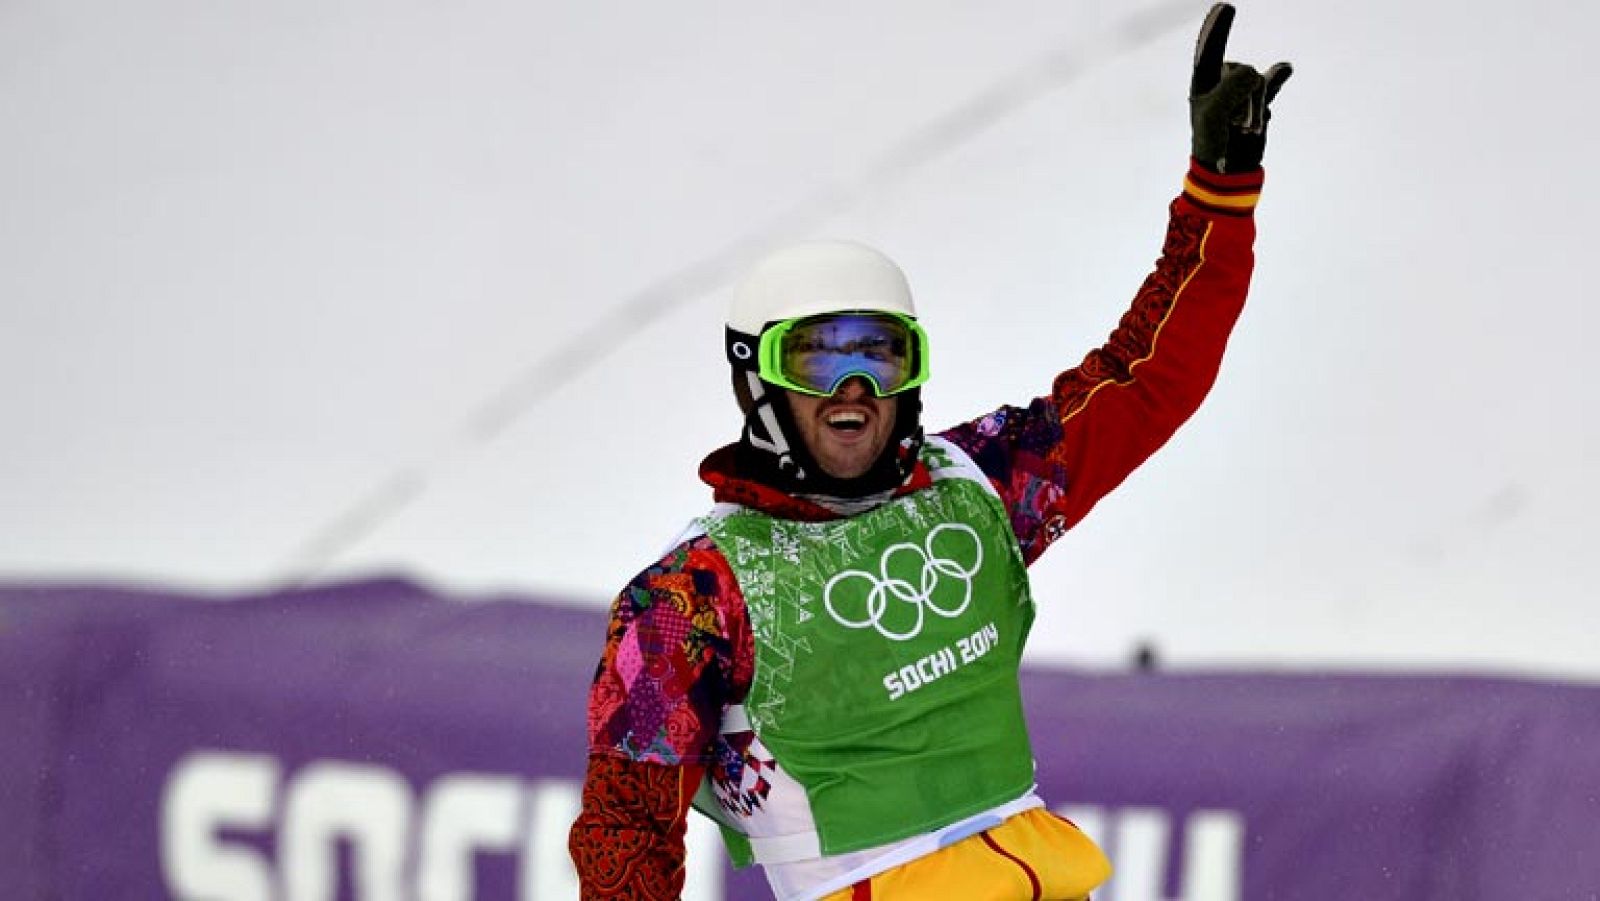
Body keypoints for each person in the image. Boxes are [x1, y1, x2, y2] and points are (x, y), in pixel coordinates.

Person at [569, 5, 1290, 899]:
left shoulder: (977, 487)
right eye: (817, 355)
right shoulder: (687, 601)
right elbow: (627, 836)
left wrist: (1218, 198)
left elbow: (1144, 382)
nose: (854, 388)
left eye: (881, 353)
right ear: (755, 379)